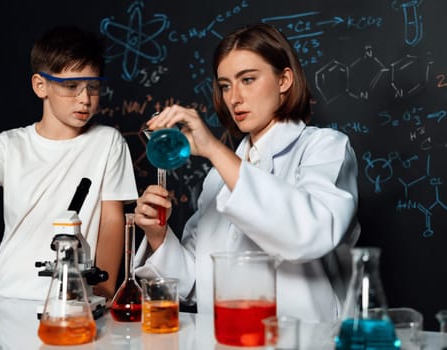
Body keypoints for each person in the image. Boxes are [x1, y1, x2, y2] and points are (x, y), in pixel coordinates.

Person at [133, 23, 360, 323]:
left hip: (304, 339)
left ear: (284, 80)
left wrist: (214, 149)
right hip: (226, 338)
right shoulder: (218, 177)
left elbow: (309, 234)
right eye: (225, 85)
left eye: (248, 79)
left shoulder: (324, 148)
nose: (234, 98)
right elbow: (195, 283)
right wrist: (158, 236)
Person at [0, 26, 138, 302]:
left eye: (93, 87)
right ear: (41, 85)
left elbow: (111, 220)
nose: (85, 98)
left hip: (72, 300)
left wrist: (104, 291)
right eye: (71, 86)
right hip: (6, 294)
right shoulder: (9, 144)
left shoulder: (108, 142)